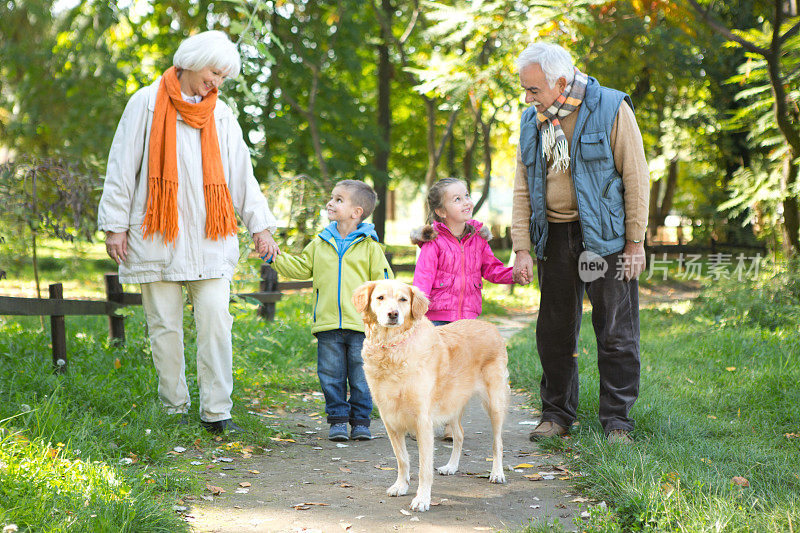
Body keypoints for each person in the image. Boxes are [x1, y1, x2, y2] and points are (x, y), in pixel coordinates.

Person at [97, 30, 279, 435]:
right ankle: (173, 408)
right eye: (214, 72)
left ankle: (217, 412)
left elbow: (241, 176)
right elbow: (122, 167)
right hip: (156, 235)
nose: (216, 82)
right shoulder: (144, 103)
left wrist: (260, 226)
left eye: (223, 77)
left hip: (209, 239)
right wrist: (114, 226)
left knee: (216, 321)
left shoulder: (222, 115)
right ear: (192, 61)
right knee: (164, 326)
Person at [511, 42, 650, 444]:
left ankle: (618, 421)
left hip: (604, 238)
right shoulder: (530, 120)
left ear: (559, 82)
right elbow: (522, 186)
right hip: (553, 237)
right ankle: (556, 414)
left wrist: (634, 241)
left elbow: (636, 177)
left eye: (533, 89)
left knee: (615, 331)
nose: (527, 97)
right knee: (554, 329)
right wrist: (522, 246)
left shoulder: (610, 107)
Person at [267, 180, 393, 441]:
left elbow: (384, 285)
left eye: (338, 199)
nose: (330, 203)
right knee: (331, 377)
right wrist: (274, 257)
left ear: (356, 212)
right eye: (332, 198)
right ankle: (337, 420)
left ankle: (361, 422)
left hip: (362, 327)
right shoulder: (319, 244)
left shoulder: (371, 248)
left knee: (361, 378)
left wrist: (382, 319)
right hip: (327, 325)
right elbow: (300, 268)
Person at [411, 177, 515, 440]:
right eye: (457, 199)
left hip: (467, 320)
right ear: (441, 211)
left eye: (466, 195)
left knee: (461, 373)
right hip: (437, 320)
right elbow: (421, 283)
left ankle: (451, 424)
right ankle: (425, 417)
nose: (466, 201)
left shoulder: (478, 240)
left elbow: (491, 268)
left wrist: (514, 275)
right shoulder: (432, 243)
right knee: (435, 371)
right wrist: (416, 315)